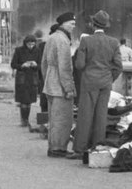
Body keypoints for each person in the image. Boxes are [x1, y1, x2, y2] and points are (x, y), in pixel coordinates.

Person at [68, 10, 122, 160]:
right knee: (101, 115)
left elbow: (79, 65)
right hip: (105, 83)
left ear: (92, 24)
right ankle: (97, 148)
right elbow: (118, 66)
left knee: (85, 115)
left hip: (89, 82)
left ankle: (79, 150)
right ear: (106, 26)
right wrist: (109, 79)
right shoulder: (114, 42)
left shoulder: (86, 41)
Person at [42, 12, 76, 158]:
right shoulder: (63, 40)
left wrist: (47, 80)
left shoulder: (51, 37)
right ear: (64, 24)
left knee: (53, 119)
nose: (73, 27)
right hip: (60, 86)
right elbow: (65, 67)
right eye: (71, 24)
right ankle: (59, 148)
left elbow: (43, 63)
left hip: (50, 83)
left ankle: (53, 146)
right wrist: (69, 88)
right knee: (63, 119)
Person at [11, 35, 41, 127]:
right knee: (23, 100)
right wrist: (22, 65)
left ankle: (26, 119)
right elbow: (13, 64)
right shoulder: (19, 50)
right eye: (29, 44)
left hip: (33, 78)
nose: (31, 46)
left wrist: (35, 65)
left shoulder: (38, 51)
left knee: (29, 101)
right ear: (25, 43)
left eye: (33, 44)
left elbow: (41, 65)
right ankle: (24, 120)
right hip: (22, 78)